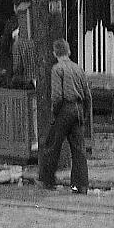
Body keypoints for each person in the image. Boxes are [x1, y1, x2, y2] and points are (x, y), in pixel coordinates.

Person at [37, 38, 92, 194]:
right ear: (69, 52)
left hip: (64, 110)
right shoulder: (78, 69)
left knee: (52, 145)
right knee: (79, 150)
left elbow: (56, 96)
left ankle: (48, 181)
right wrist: (85, 114)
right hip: (79, 110)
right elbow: (87, 95)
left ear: (55, 53)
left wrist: (55, 113)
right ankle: (80, 185)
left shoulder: (57, 69)